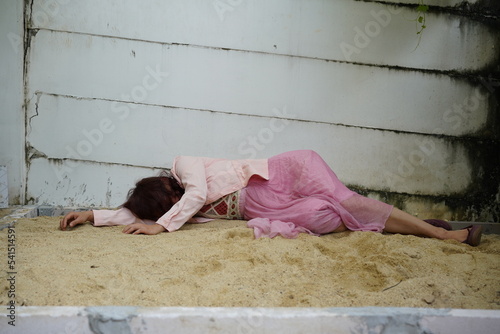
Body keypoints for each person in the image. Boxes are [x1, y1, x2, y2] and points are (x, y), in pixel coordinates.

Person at [60, 150, 483, 246]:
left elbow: (197, 195)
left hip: (281, 177)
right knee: (331, 217)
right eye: (167, 211)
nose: (173, 212)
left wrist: (162, 223)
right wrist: (90, 214)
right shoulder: (173, 207)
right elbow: (132, 214)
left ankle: (447, 237)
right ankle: (428, 230)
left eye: (169, 205)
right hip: (268, 207)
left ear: (167, 189)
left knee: (348, 202)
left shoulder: (184, 167)